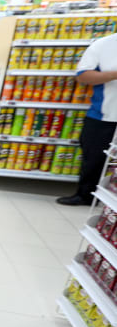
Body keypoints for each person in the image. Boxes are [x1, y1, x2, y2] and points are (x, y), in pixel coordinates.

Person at [57, 31, 117, 205]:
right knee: (93, 159)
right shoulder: (103, 44)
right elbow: (83, 76)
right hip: (104, 115)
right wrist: (113, 74)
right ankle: (85, 195)